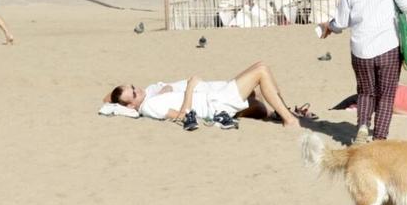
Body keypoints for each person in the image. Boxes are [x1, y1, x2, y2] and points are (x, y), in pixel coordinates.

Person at [321, 0, 407, 143]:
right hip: (388, 46)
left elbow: (341, 22)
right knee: (387, 94)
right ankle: (380, 137)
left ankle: (363, 127)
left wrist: (329, 27)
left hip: (360, 50)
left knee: (365, 92)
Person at [107, 61, 302, 129]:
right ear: (132, 105)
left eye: (133, 86)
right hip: (214, 103)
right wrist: (190, 88)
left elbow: (107, 99)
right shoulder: (149, 107)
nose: (137, 90)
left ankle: (282, 113)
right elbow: (182, 116)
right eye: (133, 93)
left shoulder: (149, 94)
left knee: (260, 77)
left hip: (216, 95)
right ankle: (289, 119)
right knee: (261, 71)